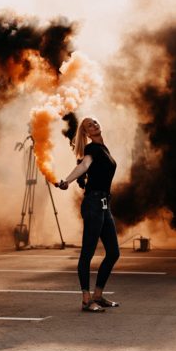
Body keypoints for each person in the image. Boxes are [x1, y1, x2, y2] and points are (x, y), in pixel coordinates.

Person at [56, 117, 120, 313]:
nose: (94, 125)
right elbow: (83, 166)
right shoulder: (92, 150)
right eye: (88, 126)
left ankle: (98, 296)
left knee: (113, 252)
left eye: (94, 122)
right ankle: (86, 299)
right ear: (86, 133)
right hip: (93, 203)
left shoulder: (104, 149)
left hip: (103, 204)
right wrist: (66, 181)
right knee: (87, 253)